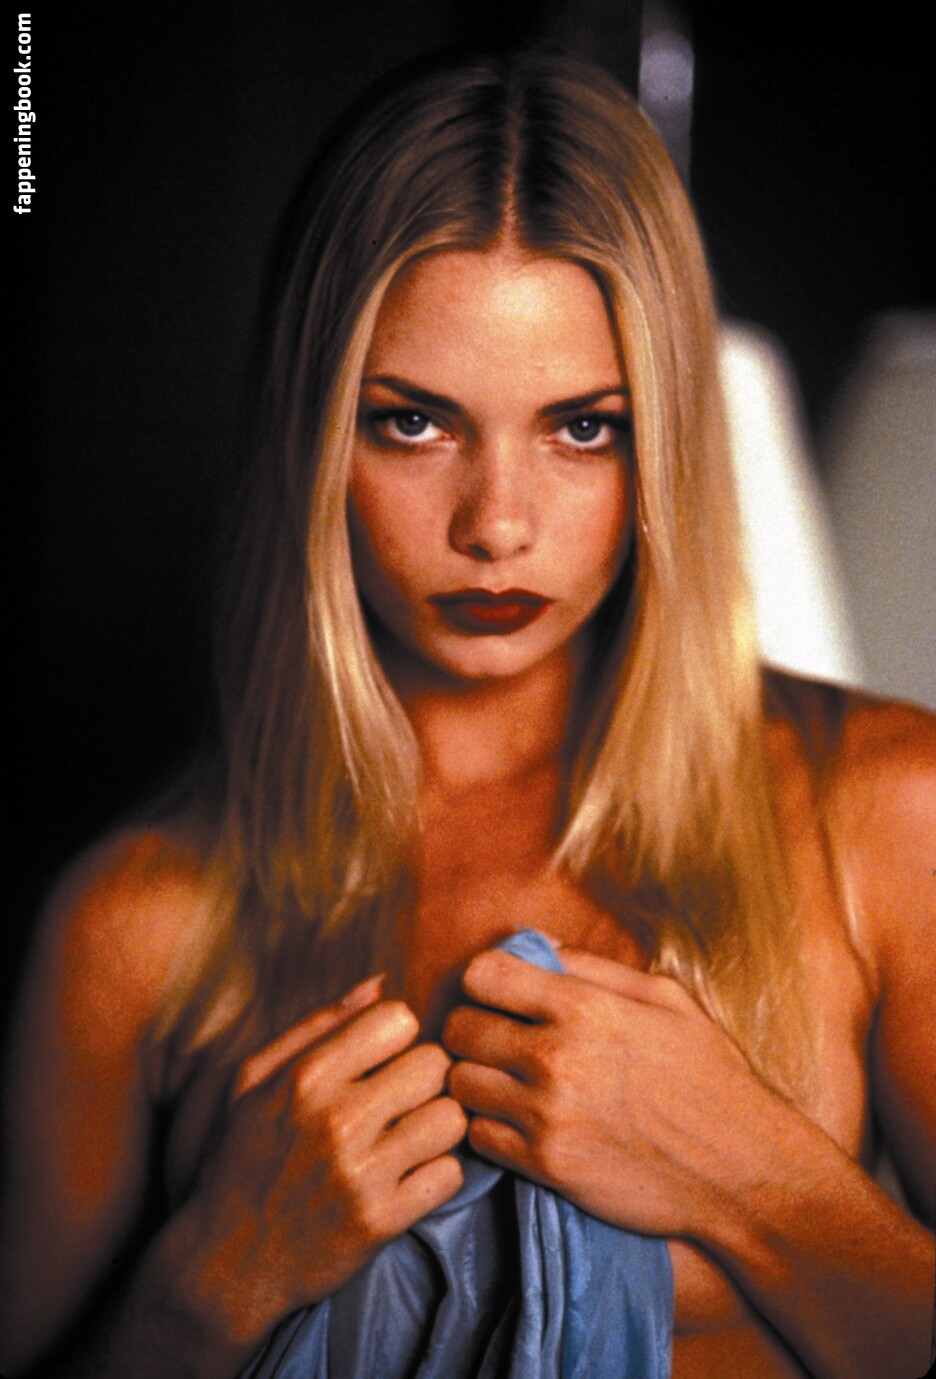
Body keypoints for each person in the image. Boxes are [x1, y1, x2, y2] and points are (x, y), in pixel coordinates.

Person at [1, 48, 933, 1379]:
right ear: (314, 434)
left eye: (583, 428)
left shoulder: (887, 817)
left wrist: (754, 1176)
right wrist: (210, 1283)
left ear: (666, 444)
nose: (497, 524)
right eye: (414, 424)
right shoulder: (134, 927)